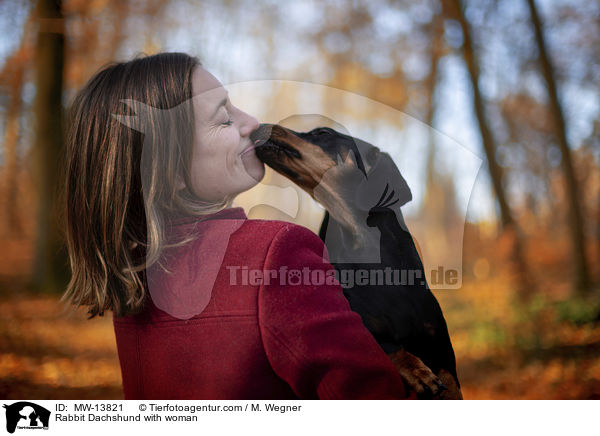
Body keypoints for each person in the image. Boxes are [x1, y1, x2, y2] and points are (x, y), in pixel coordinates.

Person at [62, 52, 413, 400]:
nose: (252, 123)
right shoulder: (276, 253)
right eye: (224, 119)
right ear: (169, 170)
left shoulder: (132, 275)